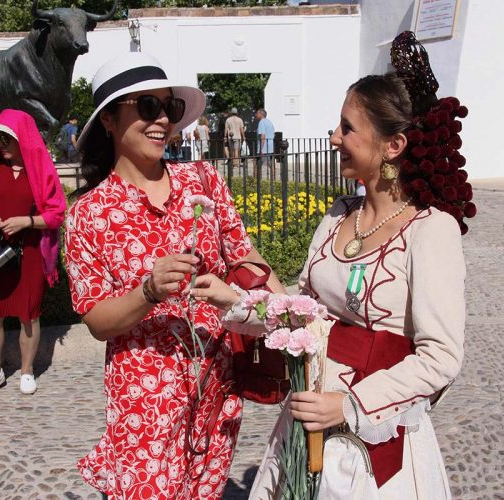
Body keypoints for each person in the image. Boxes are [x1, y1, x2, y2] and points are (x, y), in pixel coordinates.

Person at [192, 32, 473, 499]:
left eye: (347, 128)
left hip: (374, 434)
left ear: (393, 145)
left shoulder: (430, 230)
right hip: (307, 420)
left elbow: (441, 356)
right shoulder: (339, 213)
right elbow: (305, 313)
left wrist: (348, 404)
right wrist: (237, 301)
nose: (334, 137)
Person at [64, 52, 284, 499]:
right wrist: (148, 290)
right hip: (145, 403)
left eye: (171, 108)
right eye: (148, 107)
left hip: (216, 387)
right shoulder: (88, 215)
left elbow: (248, 257)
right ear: (109, 119)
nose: (163, 119)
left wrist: (291, 316)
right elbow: (96, 321)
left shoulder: (203, 180)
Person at [0, 109, 66, 399]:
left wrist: (27, 221)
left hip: (30, 252)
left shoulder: (42, 170)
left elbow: (57, 214)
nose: (1, 145)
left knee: (29, 315)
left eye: (6, 140)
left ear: (23, 139)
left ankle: (26, 370)